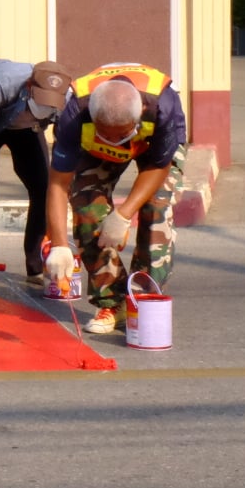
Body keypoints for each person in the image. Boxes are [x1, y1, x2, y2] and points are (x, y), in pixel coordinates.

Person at [45, 62, 187, 334]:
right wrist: (59, 245)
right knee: (87, 208)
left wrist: (123, 214)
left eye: (120, 135)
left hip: (153, 147)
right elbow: (58, 184)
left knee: (156, 211)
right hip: (94, 151)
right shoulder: (74, 113)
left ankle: (143, 298)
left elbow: (158, 166)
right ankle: (111, 301)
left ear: (139, 115)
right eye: (105, 133)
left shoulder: (163, 105)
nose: (114, 142)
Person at [0, 59, 73, 291]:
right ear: (30, 87)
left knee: (44, 189)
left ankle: (37, 263)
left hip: (28, 130)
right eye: (41, 102)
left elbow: (66, 141)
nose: (47, 107)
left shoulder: (68, 97)